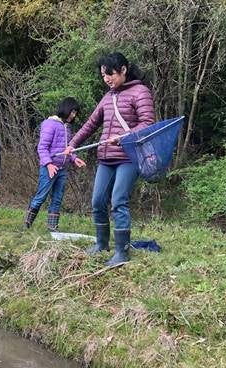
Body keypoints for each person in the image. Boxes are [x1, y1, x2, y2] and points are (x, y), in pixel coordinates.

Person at [65, 52, 155, 265]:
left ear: (123, 70)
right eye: (103, 75)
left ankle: (122, 252)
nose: (106, 79)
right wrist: (72, 145)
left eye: (110, 74)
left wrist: (123, 137)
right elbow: (90, 124)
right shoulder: (109, 96)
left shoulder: (140, 91)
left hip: (129, 157)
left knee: (118, 201)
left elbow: (148, 123)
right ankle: (101, 243)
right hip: (106, 158)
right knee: (97, 201)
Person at [23, 97, 86, 231]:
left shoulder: (67, 127)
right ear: (65, 109)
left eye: (75, 113)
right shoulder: (50, 124)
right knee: (41, 197)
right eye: (72, 111)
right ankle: (26, 226)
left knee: (57, 199)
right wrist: (49, 164)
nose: (73, 115)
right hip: (49, 169)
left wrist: (74, 158)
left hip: (62, 169)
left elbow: (67, 149)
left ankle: (52, 228)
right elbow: (42, 148)